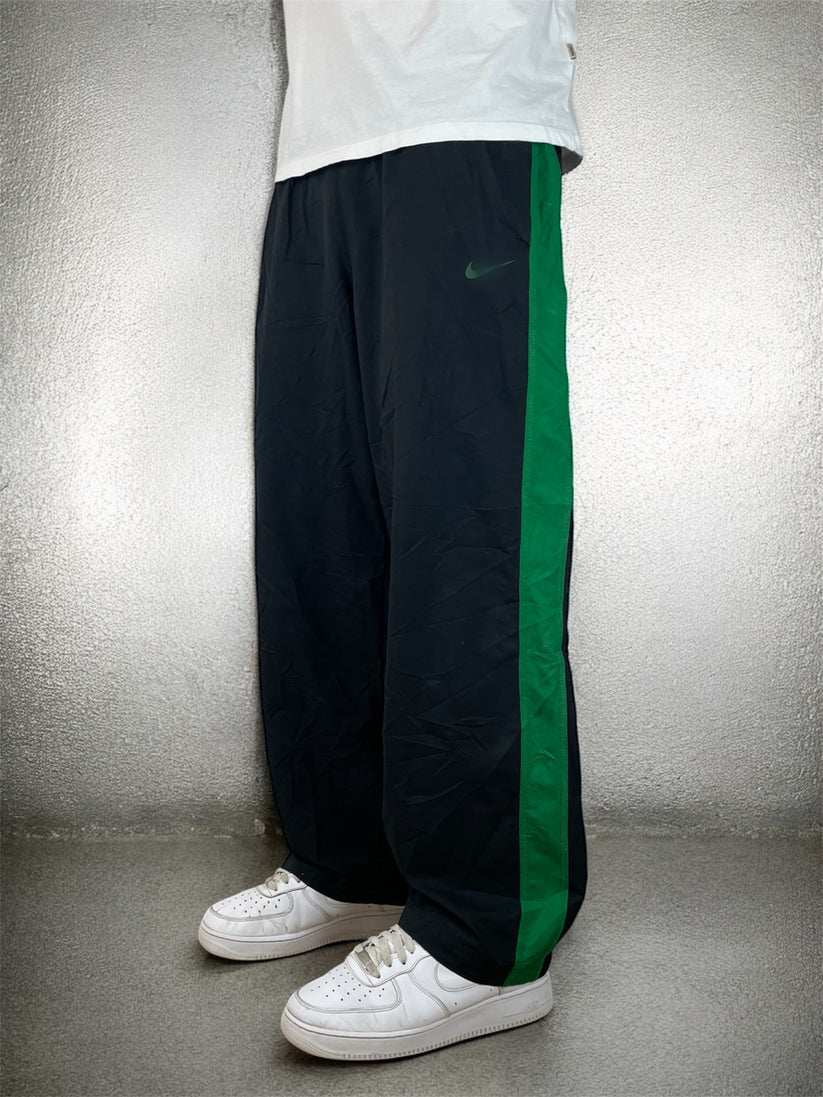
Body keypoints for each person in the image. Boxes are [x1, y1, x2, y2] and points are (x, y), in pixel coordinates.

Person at [199, 0, 588, 1061]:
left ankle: (487, 936)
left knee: (469, 532)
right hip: (321, 136)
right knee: (318, 529)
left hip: (469, 106)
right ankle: (354, 864)